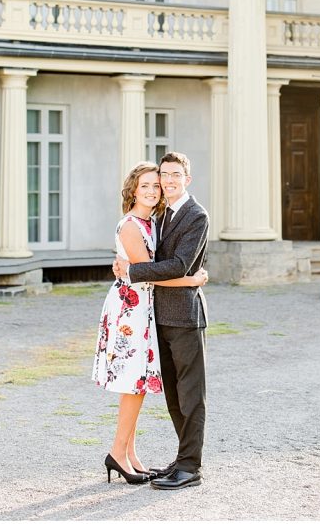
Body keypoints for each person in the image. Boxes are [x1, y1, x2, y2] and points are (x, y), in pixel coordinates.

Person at [93, 161, 208, 484]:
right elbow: (151, 273)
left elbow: (170, 265)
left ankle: (131, 455)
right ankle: (121, 453)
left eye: (155, 185)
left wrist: (135, 272)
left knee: (144, 385)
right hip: (133, 311)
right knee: (135, 383)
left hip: (151, 310)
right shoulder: (135, 224)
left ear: (186, 179)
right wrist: (190, 282)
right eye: (147, 184)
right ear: (132, 189)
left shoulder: (163, 219)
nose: (154, 189)